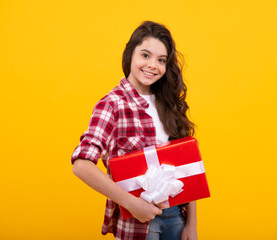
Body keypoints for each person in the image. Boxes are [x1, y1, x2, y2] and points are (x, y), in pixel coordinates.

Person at [71, 21, 198, 240]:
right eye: (145, 55)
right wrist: (131, 203)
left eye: (161, 60)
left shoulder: (167, 103)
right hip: (139, 224)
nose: (152, 65)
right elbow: (81, 165)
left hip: (177, 214)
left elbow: (187, 164)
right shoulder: (111, 104)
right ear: (130, 55)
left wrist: (192, 224)